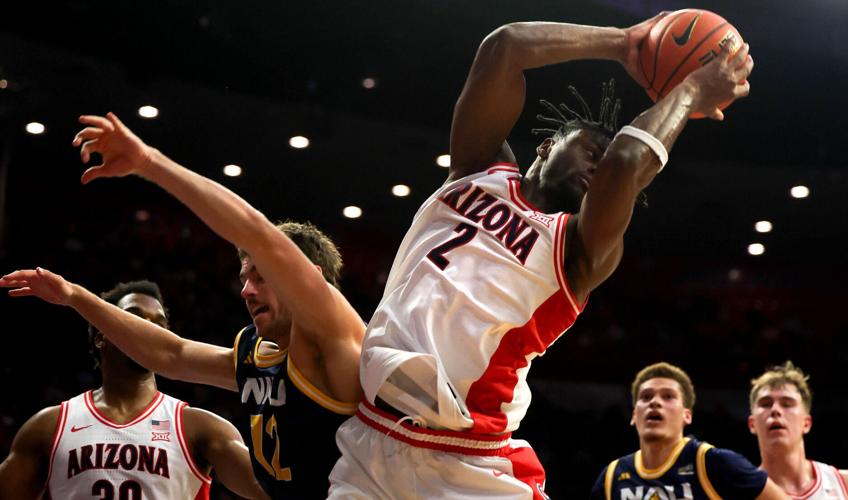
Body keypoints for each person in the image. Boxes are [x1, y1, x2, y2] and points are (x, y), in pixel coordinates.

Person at [326, 13, 754, 499]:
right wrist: (624, 43)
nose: (600, 163)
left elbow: (625, 165)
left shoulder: (579, 249)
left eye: (606, 157)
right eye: (592, 148)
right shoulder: (477, 168)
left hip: (468, 463)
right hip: (371, 441)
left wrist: (694, 89)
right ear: (547, 145)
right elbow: (504, 47)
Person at [1, 112, 366, 498]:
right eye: (243, 279)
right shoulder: (254, 356)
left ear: (304, 278)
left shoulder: (333, 335)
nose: (246, 291)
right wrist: (75, 296)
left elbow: (257, 232)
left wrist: (148, 162)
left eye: (259, 276)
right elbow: (170, 353)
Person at [0, 279, 268, 500]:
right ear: (101, 335)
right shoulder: (48, 426)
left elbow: (274, 491)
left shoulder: (200, 427)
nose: (147, 329)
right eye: (135, 319)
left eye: (158, 325)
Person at [591, 362, 786, 500]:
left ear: (687, 415)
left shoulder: (715, 463)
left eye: (668, 396)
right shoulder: (611, 478)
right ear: (634, 415)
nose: (655, 402)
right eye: (646, 397)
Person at [749, 361, 848, 499]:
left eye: (786, 404)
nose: (775, 410)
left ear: (806, 423)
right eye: (765, 404)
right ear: (752, 424)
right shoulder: (741, 494)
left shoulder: (843, 483)